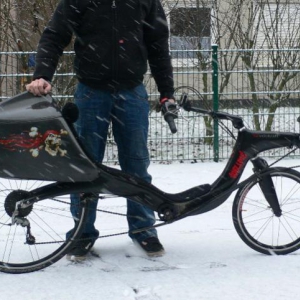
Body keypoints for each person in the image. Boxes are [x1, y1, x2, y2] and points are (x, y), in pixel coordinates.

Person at [26, 0, 175, 260]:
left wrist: (167, 93)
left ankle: (144, 229)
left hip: (132, 92)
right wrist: (43, 75)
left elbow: (158, 45)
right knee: (85, 168)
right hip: (91, 92)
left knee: (137, 166)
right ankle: (82, 233)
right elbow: (54, 35)